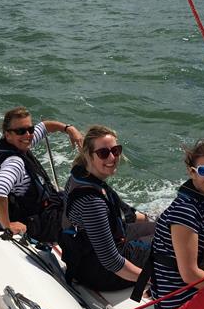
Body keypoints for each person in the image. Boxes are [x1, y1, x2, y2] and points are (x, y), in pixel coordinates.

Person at [59, 125, 155, 291]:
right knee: (170, 241)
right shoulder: (92, 202)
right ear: (89, 155)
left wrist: (152, 219)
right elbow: (112, 261)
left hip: (88, 257)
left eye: (116, 150)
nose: (112, 157)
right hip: (102, 275)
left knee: (164, 227)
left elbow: (123, 212)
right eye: (103, 153)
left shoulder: (81, 175)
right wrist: (152, 281)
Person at [146, 139, 204, 309]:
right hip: (177, 305)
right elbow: (190, 274)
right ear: (192, 173)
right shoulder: (186, 212)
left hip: (187, 294)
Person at [0, 107, 83, 242]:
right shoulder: (14, 163)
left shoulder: (22, 142)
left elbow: (44, 127)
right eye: (21, 131)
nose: (28, 135)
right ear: (8, 135)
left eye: (30, 129)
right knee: (89, 218)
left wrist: (69, 129)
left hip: (48, 208)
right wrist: (7, 226)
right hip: (39, 222)